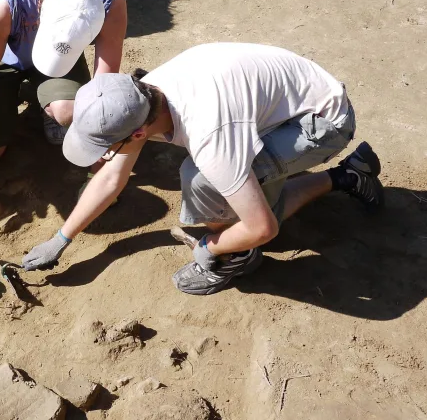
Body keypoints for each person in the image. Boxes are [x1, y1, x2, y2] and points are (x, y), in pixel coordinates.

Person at [21, 43, 385, 296]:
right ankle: (349, 175)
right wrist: (62, 237)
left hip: (323, 121)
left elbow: (262, 228)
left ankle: (237, 259)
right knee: (229, 189)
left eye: (106, 146)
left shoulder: (210, 137)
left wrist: (214, 246)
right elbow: (113, 177)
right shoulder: (140, 96)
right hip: (283, 105)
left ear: (137, 131)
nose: (105, 154)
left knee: (201, 181)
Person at [0, 0, 128, 203]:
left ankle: (46, 103)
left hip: (58, 54)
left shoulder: (109, 0)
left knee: (68, 112)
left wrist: (98, 173)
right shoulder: (6, 3)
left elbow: (102, 87)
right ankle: (23, 93)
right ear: (39, 9)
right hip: (0, 57)